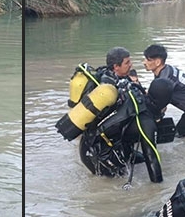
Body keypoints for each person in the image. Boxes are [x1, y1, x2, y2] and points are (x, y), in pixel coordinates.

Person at [55, 46, 164, 184]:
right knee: (114, 182)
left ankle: (124, 154)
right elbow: (151, 157)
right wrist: (158, 189)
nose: (131, 65)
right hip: (98, 152)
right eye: (127, 63)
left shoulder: (114, 78)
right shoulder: (108, 89)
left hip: (97, 143)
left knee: (138, 161)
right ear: (116, 67)